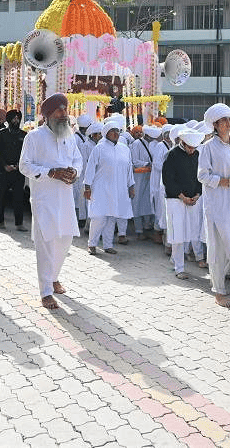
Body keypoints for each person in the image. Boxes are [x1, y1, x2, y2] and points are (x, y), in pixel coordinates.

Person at [18, 95, 82, 309]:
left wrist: (75, 171)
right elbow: (25, 166)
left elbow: (77, 158)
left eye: (65, 110)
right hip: (44, 198)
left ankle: (54, 277)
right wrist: (50, 172)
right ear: (48, 115)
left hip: (64, 195)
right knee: (46, 242)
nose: (64, 114)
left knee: (65, 238)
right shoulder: (34, 137)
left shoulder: (69, 134)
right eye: (59, 111)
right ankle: (45, 291)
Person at [197, 103, 230, 308]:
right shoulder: (208, 148)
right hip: (217, 202)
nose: (228, 123)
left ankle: (224, 276)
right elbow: (202, 175)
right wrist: (226, 182)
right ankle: (218, 289)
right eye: (223, 120)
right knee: (218, 245)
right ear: (215, 125)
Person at [84, 118, 134, 255]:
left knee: (111, 218)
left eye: (117, 131)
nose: (116, 133)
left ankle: (107, 245)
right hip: (100, 188)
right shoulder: (99, 148)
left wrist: (131, 186)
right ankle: (92, 244)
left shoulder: (125, 149)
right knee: (99, 218)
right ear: (106, 133)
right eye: (112, 131)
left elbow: (129, 169)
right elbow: (90, 168)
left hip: (118, 189)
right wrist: (87, 187)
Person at [162, 127, 206, 279]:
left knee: (191, 232)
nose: (192, 151)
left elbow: (200, 177)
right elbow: (168, 180)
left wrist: (197, 194)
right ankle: (179, 268)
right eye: (190, 147)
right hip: (176, 200)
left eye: (195, 148)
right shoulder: (171, 155)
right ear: (183, 143)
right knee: (178, 233)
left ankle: (175, 258)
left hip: (193, 200)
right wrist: (182, 197)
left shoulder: (197, 154)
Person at [0, 109, 28, 230]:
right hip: (4, 170)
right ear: (9, 120)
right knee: (2, 195)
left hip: (19, 171)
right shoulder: (1, 133)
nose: (16, 120)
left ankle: (19, 223)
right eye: (14, 118)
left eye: (18, 118)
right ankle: (0, 222)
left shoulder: (24, 135)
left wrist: (19, 165)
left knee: (19, 197)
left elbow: (27, 153)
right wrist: (4, 165)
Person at [129, 125, 155, 241]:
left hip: (151, 177)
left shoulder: (154, 144)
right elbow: (134, 161)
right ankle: (139, 230)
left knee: (148, 202)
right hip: (139, 177)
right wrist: (146, 164)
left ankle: (147, 227)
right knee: (137, 202)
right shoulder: (136, 144)